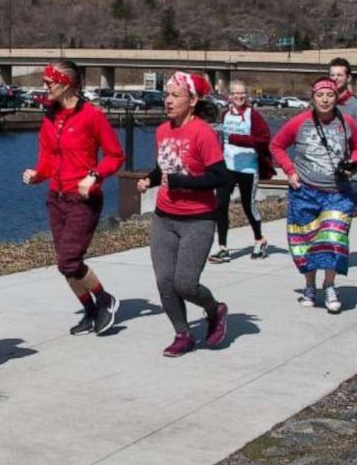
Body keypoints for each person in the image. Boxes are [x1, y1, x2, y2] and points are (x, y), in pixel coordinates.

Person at [23, 60, 125, 336]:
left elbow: (116, 156)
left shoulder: (92, 116)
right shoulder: (49, 116)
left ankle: (106, 300)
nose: (44, 87)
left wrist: (94, 175)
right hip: (56, 199)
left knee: (68, 261)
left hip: (83, 199)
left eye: (49, 82)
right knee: (65, 265)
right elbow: (47, 159)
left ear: (67, 83)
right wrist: (36, 174)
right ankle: (90, 311)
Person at [136, 71, 228, 356]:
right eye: (167, 95)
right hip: (164, 217)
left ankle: (215, 309)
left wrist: (181, 182)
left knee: (185, 284)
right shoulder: (164, 130)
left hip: (198, 219)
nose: (168, 101)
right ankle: (183, 334)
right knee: (165, 282)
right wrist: (149, 179)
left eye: (176, 95)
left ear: (192, 100)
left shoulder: (203, 133)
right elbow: (164, 166)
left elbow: (219, 177)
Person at [271, 78, 357, 314]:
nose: (325, 99)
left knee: (333, 240)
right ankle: (310, 286)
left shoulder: (347, 123)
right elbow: (277, 146)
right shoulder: (299, 122)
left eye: (330, 95)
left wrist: (355, 162)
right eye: (320, 95)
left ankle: (330, 285)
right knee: (306, 243)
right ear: (312, 98)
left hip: (337, 192)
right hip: (304, 192)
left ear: (336, 98)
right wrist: (290, 172)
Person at [208, 80, 273, 263]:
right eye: (236, 93)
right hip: (228, 167)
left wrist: (241, 140)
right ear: (230, 96)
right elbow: (224, 139)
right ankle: (223, 248)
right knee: (220, 204)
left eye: (242, 93)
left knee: (248, 205)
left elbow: (264, 139)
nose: (239, 96)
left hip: (248, 168)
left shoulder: (254, 115)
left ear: (247, 95)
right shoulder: (225, 114)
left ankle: (259, 240)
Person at [329, 57, 357, 207]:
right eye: (332, 75)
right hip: (328, 162)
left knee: (350, 200)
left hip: (351, 162)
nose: (335, 79)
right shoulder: (322, 103)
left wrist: (355, 162)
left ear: (348, 78)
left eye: (339, 75)